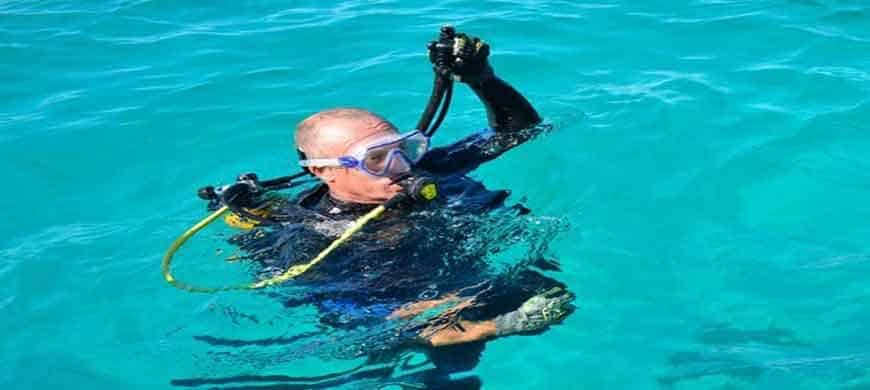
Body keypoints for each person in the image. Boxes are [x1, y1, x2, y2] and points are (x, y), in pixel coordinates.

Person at [218, 29, 574, 370]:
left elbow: (518, 129)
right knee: (454, 368)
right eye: (376, 159)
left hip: (471, 277)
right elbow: (361, 325)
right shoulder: (312, 234)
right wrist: (502, 325)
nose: (400, 166)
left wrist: (483, 79)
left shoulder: (430, 168)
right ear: (323, 172)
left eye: (403, 149)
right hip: (415, 317)